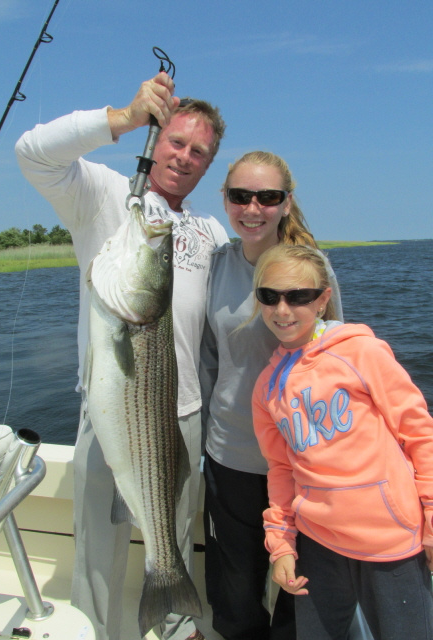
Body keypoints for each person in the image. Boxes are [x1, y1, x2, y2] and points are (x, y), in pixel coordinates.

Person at [15, 72, 228, 640]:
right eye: (176, 142)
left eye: (199, 152)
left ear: (208, 166)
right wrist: (125, 116)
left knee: (173, 537)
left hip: (182, 415)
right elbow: (32, 153)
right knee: (98, 551)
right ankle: (93, 629)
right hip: (112, 413)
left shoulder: (210, 232)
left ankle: (179, 625)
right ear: (156, 139)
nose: (184, 157)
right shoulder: (108, 196)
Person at [251, 243, 433, 640]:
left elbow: (419, 432)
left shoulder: (361, 351)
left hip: (392, 541)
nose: (282, 310)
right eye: (270, 296)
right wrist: (281, 544)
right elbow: (280, 470)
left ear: (322, 300)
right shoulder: (266, 387)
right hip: (317, 543)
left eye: (298, 296)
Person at [199, 151, 343, 640]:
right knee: (235, 582)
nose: (253, 208)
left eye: (267, 197)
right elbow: (208, 360)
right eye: (240, 196)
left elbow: (334, 360)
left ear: (286, 203)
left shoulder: (312, 268)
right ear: (225, 200)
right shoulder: (215, 266)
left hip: (300, 459)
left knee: (299, 584)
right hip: (229, 455)